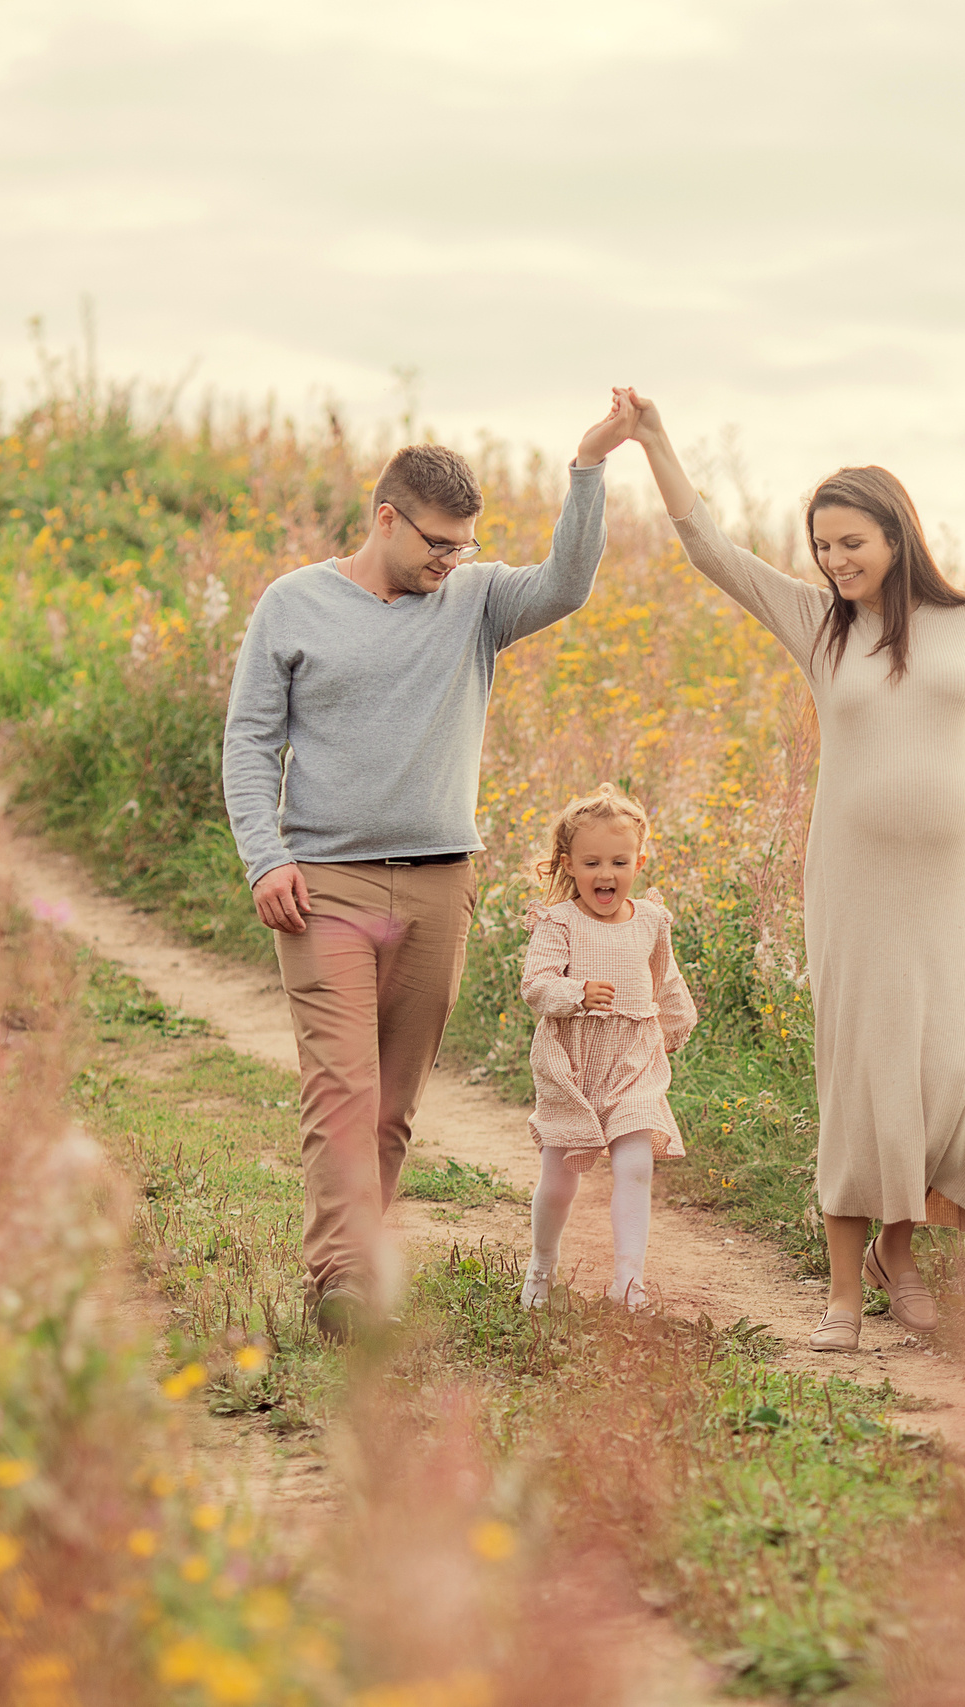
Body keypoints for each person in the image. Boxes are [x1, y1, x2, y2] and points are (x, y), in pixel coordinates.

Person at [619, 389, 965, 1352]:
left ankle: (905, 1252)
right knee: (862, 1076)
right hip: (854, 883)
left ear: (897, 533)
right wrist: (653, 439)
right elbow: (710, 551)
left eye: (850, 542)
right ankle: (845, 1294)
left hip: (952, 888)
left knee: (939, 1075)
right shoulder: (820, 625)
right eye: (821, 546)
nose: (833, 560)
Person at [221, 394, 639, 1343]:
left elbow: (569, 583)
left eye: (463, 544)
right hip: (323, 884)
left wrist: (588, 466)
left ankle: (355, 1261)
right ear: (386, 517)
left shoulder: (477, 601)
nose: (450, 559)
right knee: (341, 1088)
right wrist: (265, 858)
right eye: (438, 543)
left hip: (441, 882)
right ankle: (343, 1281)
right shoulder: (292, 604)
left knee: (393, 1107)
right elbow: (249, 744)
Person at [517, 785, 698, 1311]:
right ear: (568, 865)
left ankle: (627, 1281)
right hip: (571, 1066)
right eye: (592, 862)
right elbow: (536, 985)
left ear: (639, 861)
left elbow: (665, 981)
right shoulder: (558, 923)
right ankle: (542, 1264)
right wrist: (575, 994)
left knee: (637, 1164)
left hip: (634, 1063)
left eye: (619, 862)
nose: (606, 874)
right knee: (560, 1177)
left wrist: (672, 1027)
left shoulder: (651, 921)